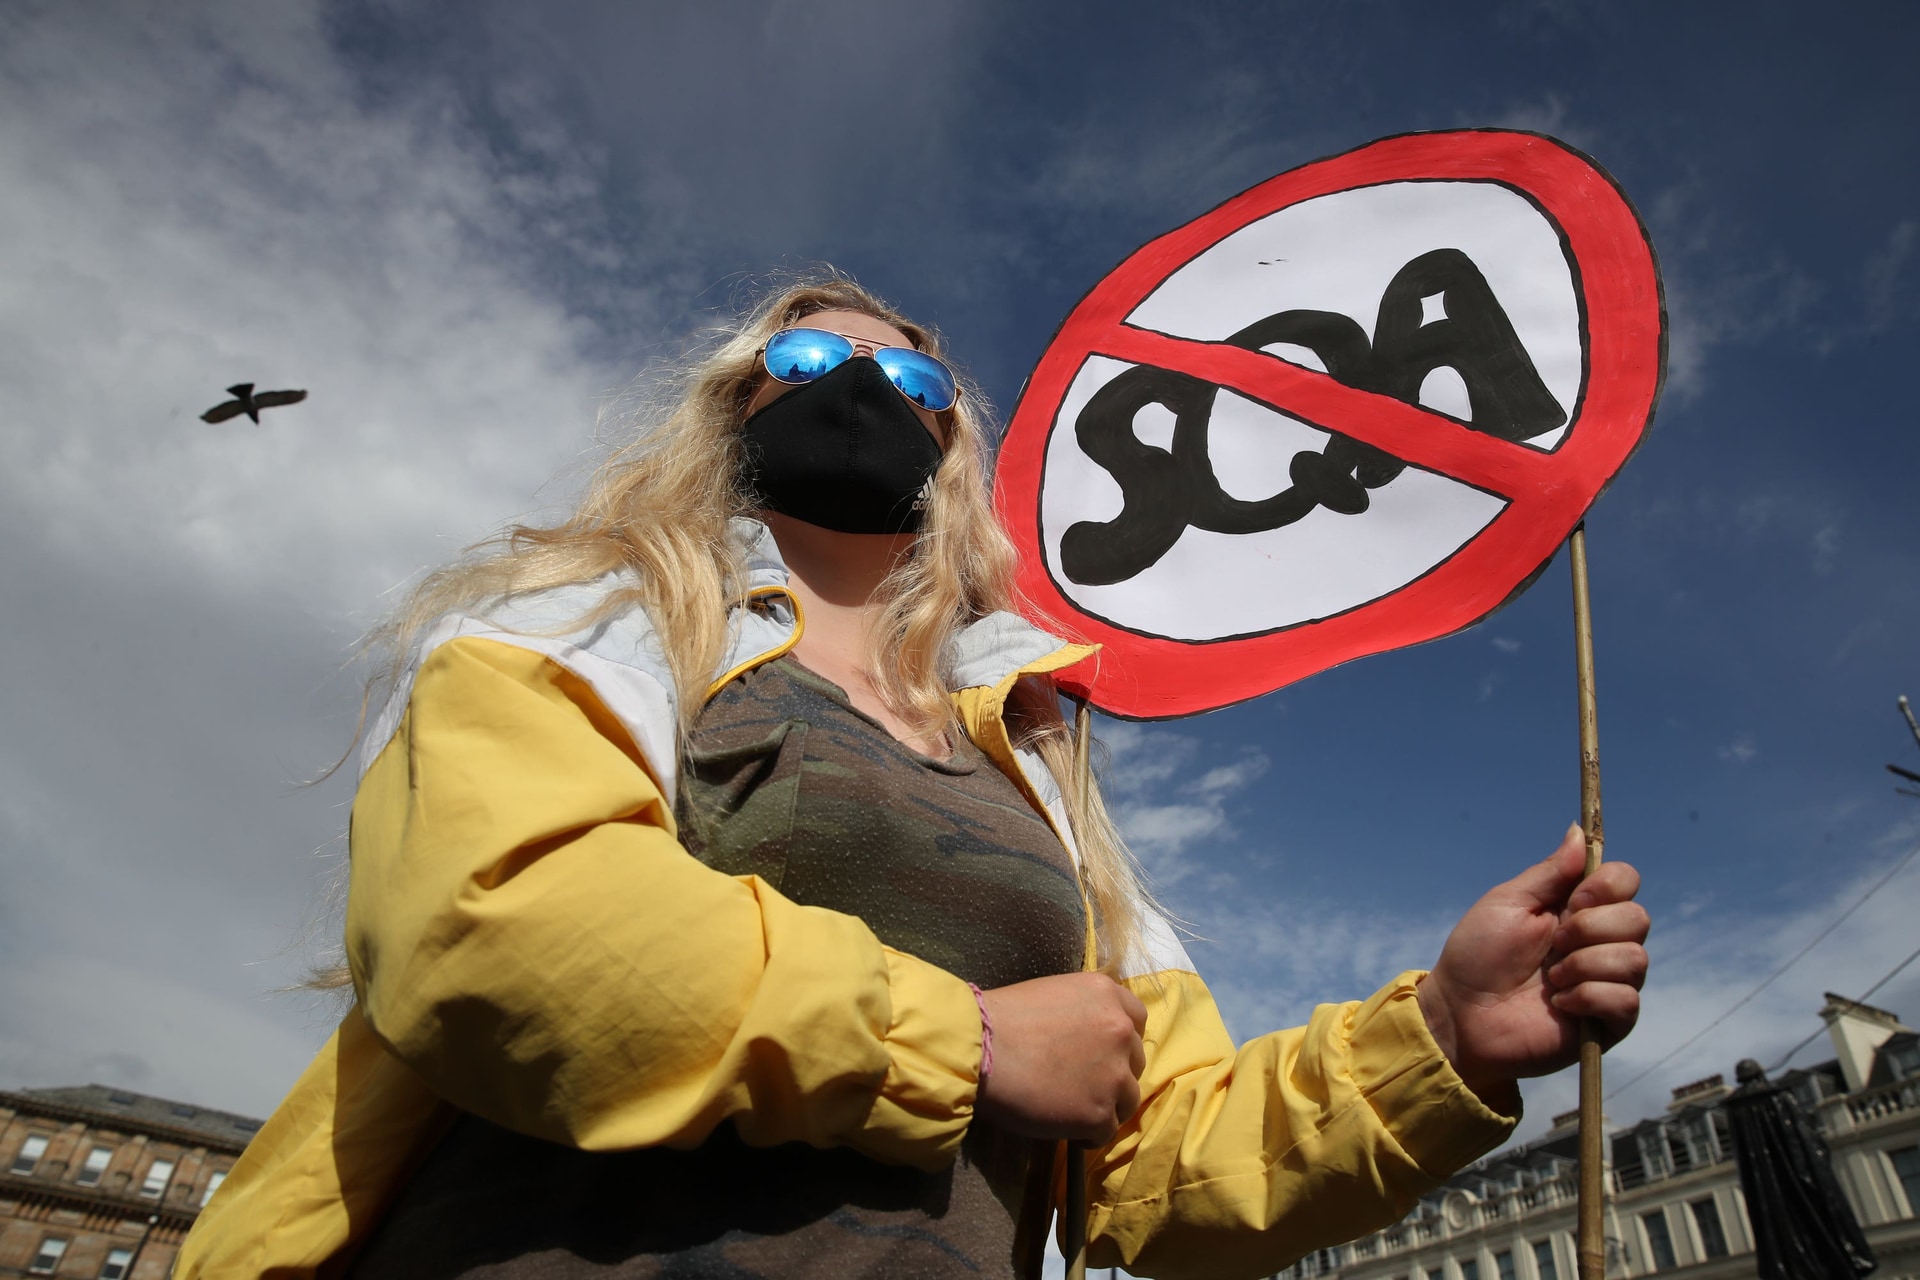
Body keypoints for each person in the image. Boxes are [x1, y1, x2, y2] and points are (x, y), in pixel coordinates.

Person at [176, 274, 1650, 1280]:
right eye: (810, 358)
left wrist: (1447, 1038)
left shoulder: (1036, 756)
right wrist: (955, 1046)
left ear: (950, 435)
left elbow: (1154, 1162)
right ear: (734, 400)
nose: (858, 382)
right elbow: (498, 926)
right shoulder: (595, 613)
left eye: (906, 369)